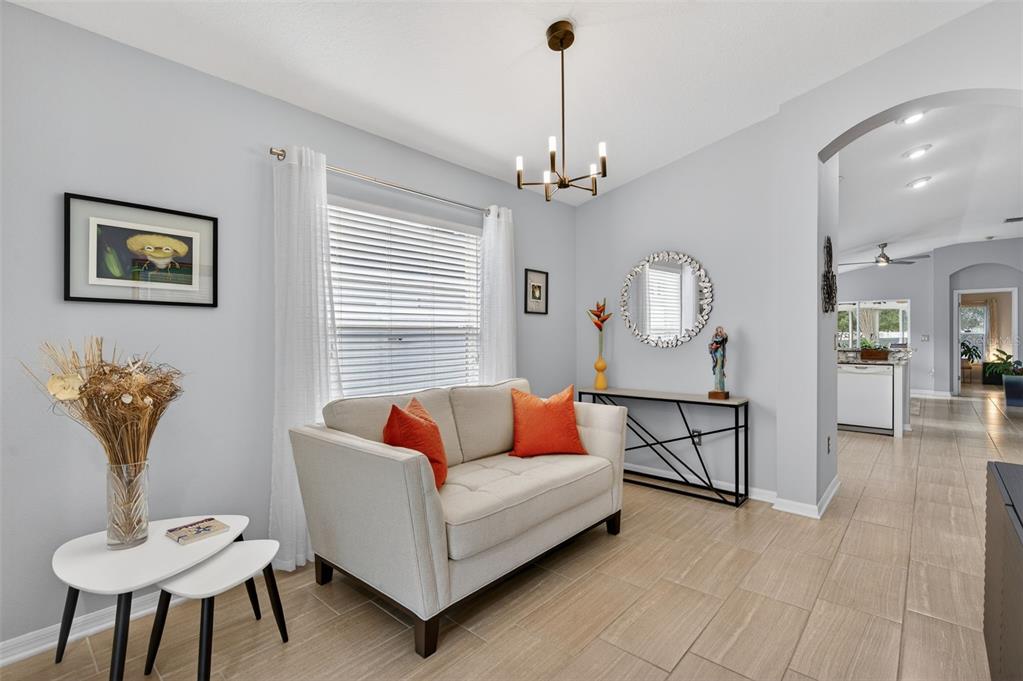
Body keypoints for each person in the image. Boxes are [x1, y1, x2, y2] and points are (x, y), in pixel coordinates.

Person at [708, 326, 728, 393]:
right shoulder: (714, 337)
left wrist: (723, 334)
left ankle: (720, 388)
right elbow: (711, 345)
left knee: (720, 369)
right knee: (717, 370)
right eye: (718, 331)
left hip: (721, 354)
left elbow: (725, 339)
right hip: (716, 354)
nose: (719, 332)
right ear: (716, 331)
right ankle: (716, 387)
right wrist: (713, 346)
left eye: (721, 331)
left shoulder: (724, 338)